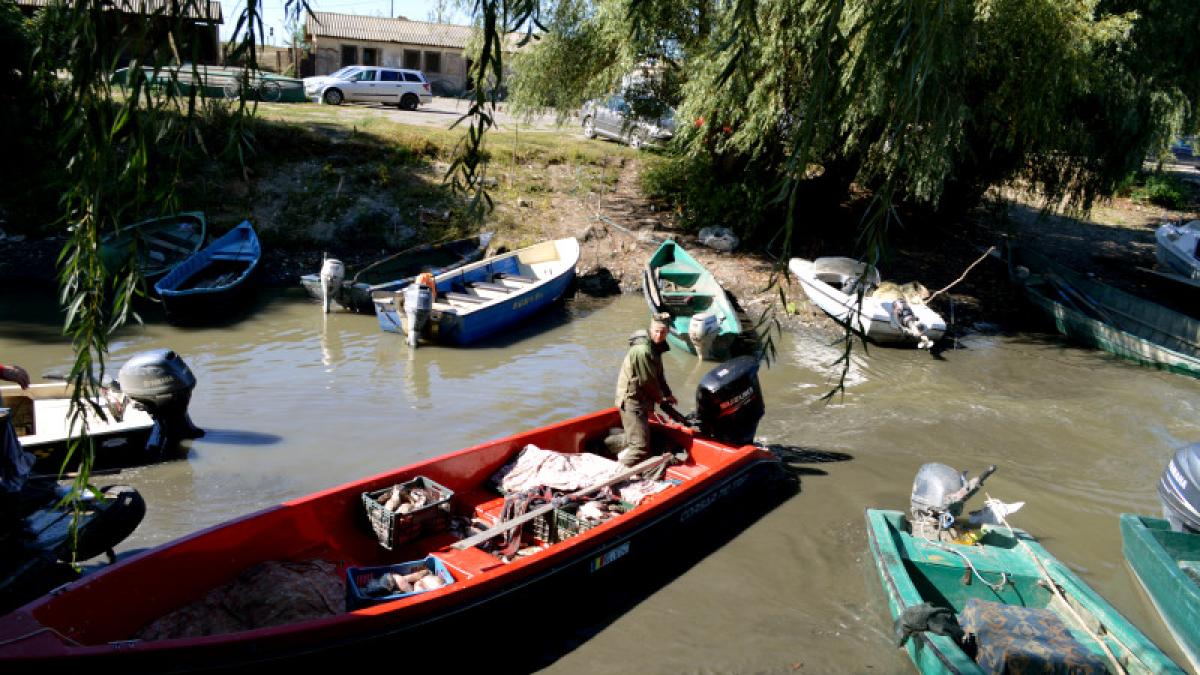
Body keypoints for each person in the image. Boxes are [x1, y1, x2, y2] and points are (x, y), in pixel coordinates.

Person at [613, 313, 676, 467]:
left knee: (640, 439)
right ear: (650, 328)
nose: (659, 335)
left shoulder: (655, 346)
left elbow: (659, 375)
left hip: (640, 399)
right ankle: (611, 476)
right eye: (656, 331)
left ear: (667, 332)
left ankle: (608, 443)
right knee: (640, 448)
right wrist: (661, 399)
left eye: (663, 332)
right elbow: (648, 382)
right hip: (631, 402)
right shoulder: (643, 350)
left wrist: (668, 394)